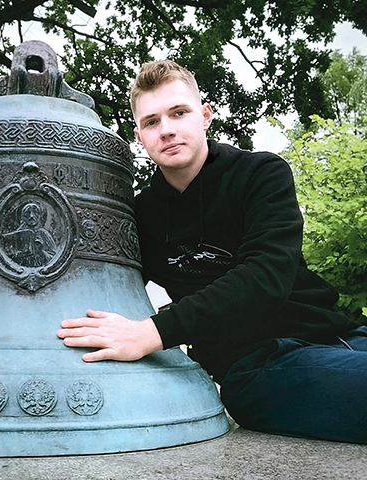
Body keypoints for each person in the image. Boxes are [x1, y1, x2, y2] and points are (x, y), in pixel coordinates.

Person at [57, 60, 367, 444]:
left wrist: (153, 332)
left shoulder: (261, 174)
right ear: (140, 137)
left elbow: (265, 276)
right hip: (257, 366)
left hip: (340, 336)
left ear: (204, 116)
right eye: (152, 122)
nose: (167, 129)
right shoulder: (140, 216)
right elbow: (106, 286)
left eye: (179, 113)